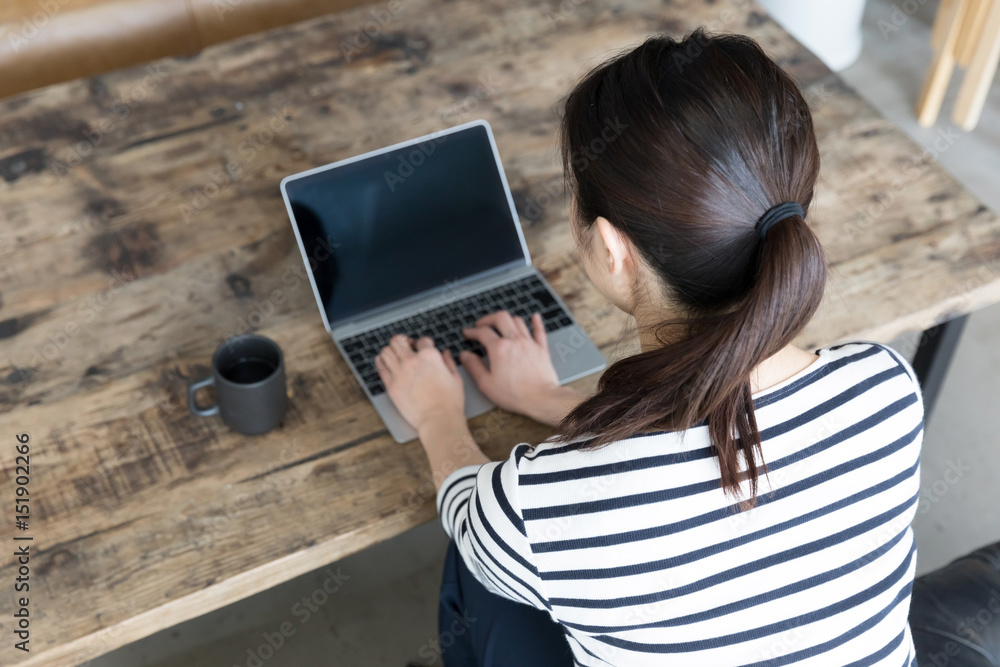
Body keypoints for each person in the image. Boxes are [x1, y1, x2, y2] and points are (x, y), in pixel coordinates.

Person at [375, 29, 924, 666]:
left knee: (482, 580)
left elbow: (472, 524)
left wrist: (437, 413)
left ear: (612, 249)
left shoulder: (542, 506)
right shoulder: (886, 389)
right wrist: (551, 399)